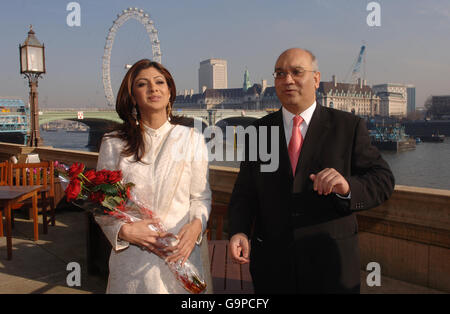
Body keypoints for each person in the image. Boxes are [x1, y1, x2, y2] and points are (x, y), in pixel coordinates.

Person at [228, 48, 395, 294]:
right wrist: (239, 230)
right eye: (280, 73)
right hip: (272, 267)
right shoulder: (259, 131)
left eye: (297, 72)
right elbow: (244, 192)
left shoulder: (347, 126)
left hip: (330, 266)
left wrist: (348, 187)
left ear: (316, 79)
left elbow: (383, 180)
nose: (287, 80)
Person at [96, 59, 213, 293]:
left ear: (170, 92)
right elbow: (102, 204)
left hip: (181, 254)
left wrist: (196, 226)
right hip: (132, 261)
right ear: (132, 96)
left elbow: (201, 197)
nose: (153, 88)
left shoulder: (192, 139)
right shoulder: (113, 143)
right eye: (142, 84)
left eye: (160, 82)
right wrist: (124, 231)